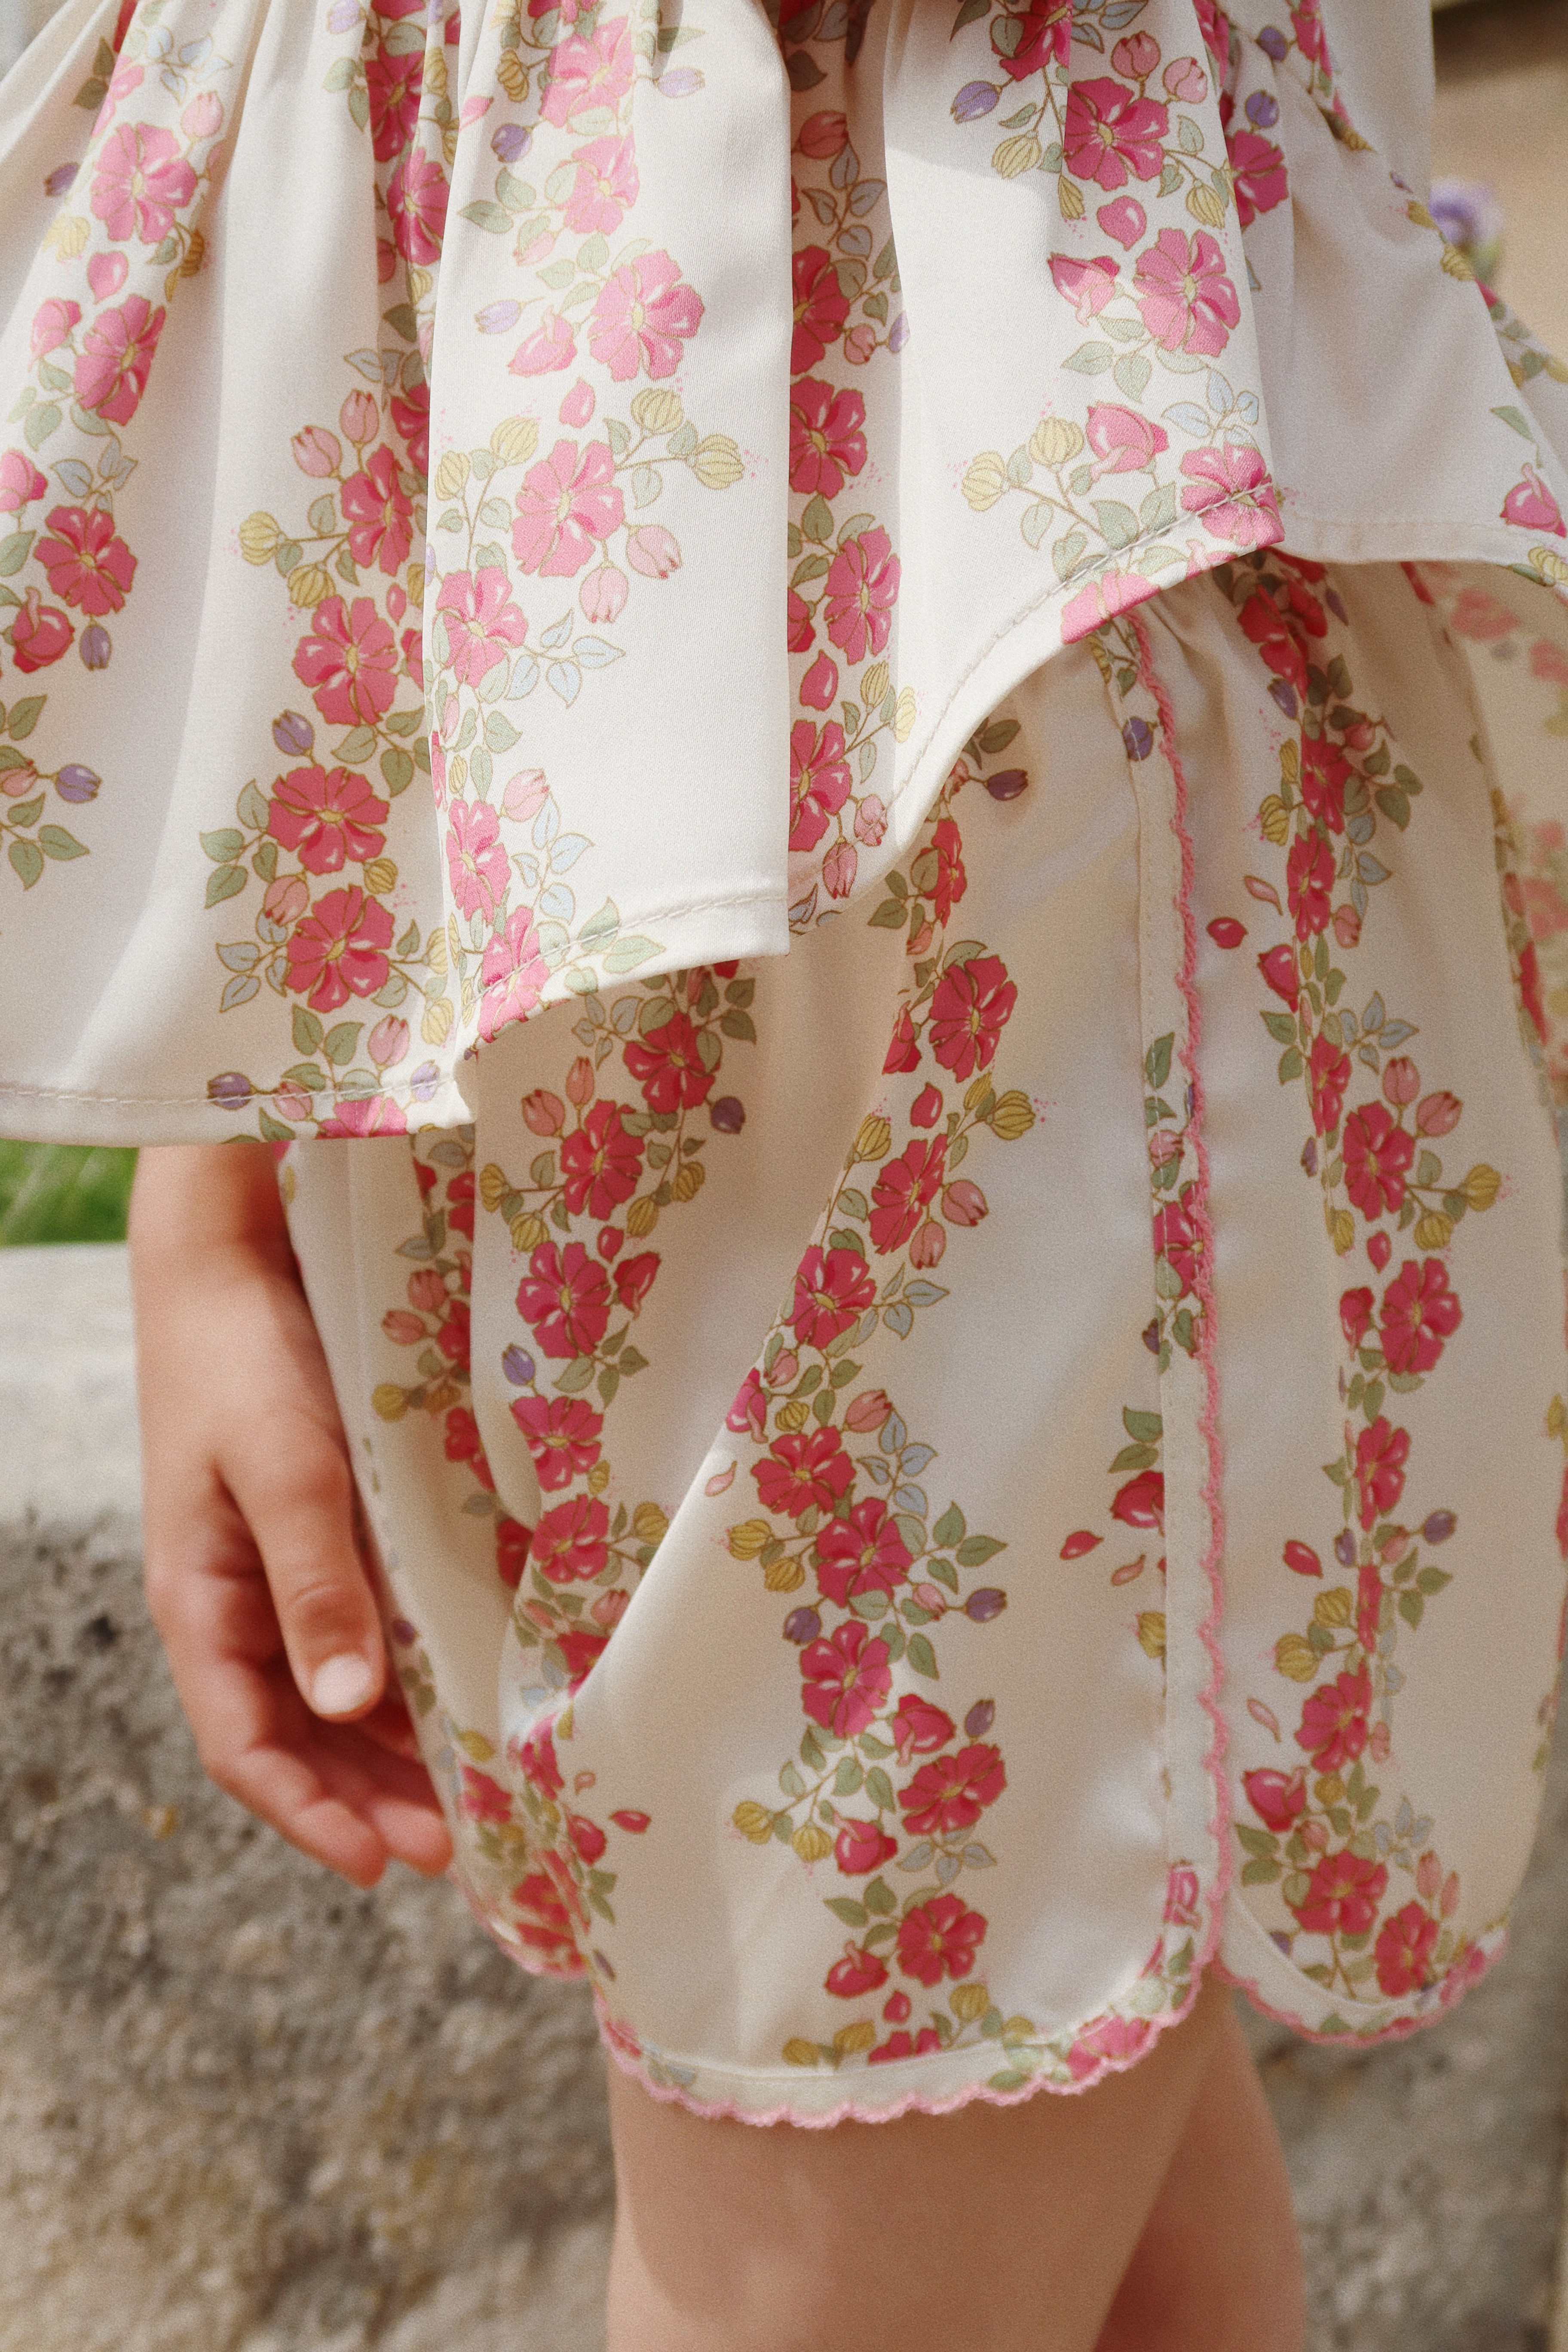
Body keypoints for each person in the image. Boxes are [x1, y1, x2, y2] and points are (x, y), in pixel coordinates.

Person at [4, 0, 1568, 2340]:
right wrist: (226, 1170)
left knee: (893, 2180)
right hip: (632, 879)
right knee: (1057, 2159)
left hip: (1001, 837)